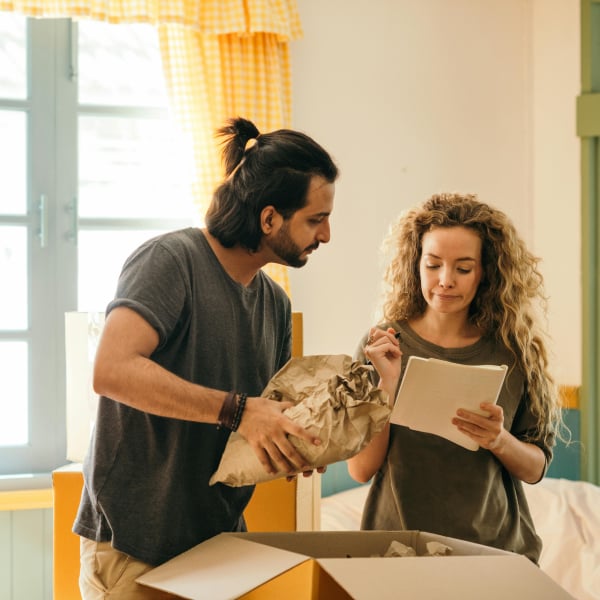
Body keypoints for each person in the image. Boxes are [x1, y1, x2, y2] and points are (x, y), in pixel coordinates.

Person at [73, 116, 339, 599]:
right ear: (269, 218)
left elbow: (257, 427)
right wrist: (239, 411)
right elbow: (112, 370)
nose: (325, 236)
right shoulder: (170, 261)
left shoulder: (275, 305)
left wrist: (299, 444)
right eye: (315, 220)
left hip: (219, 548)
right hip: (133, 548)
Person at [347, 192, 564, 564]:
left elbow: (535, 467)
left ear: (486, 272)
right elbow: (360, 469)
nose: (445, 281)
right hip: (399, 553)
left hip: (495, 555)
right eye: (433, 265)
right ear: (415, 264)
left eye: (463, 268)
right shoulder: (381, 346)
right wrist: (387, 385)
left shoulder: (513, 351)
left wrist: (498, 440)